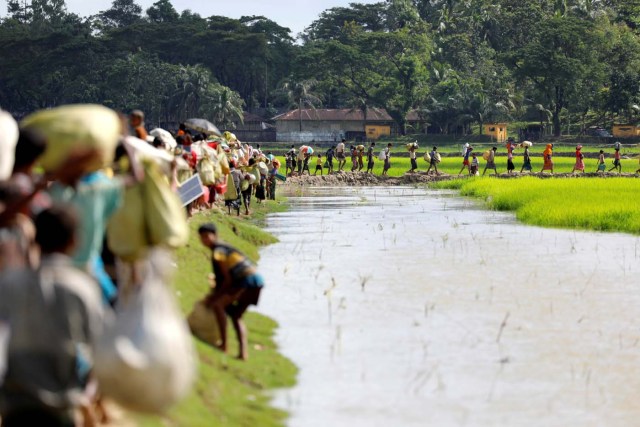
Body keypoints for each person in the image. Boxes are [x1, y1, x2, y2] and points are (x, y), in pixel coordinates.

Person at [0, 205, 105, 427]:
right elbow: (102, 349)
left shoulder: (11, 284)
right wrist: (87, 394)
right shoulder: (83, 290)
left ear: (35, 239)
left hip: (16, 406)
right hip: (62, 407)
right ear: (74, 242)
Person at [198, 223, 264, 361]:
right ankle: (243, 353)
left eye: (207, 236)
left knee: (217, 305)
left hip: (246, 281)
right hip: (257, 281)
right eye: (202, 237)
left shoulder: (218, 251)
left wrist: (214, 296)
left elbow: (227, 279)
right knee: (236, 315)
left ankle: (224, 345)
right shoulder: (223, 248)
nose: (204, 240)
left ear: (215, 236)